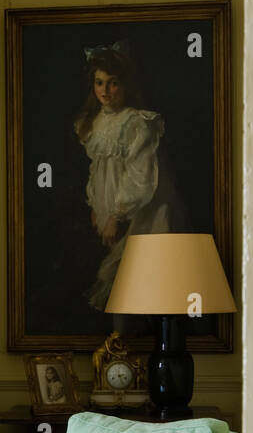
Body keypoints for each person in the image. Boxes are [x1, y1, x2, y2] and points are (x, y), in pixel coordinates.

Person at [74, 42, 182, 309]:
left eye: (113, 84)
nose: (105, 91)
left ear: (125, 86)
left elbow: (139, 174)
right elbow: (97, 169)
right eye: (99, 83)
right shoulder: (94, 122)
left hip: (139, 210)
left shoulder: (136, 123)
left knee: (127, 279)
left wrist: (116, 214)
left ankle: (126, 339)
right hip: (108, 206)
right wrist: (95, 204)